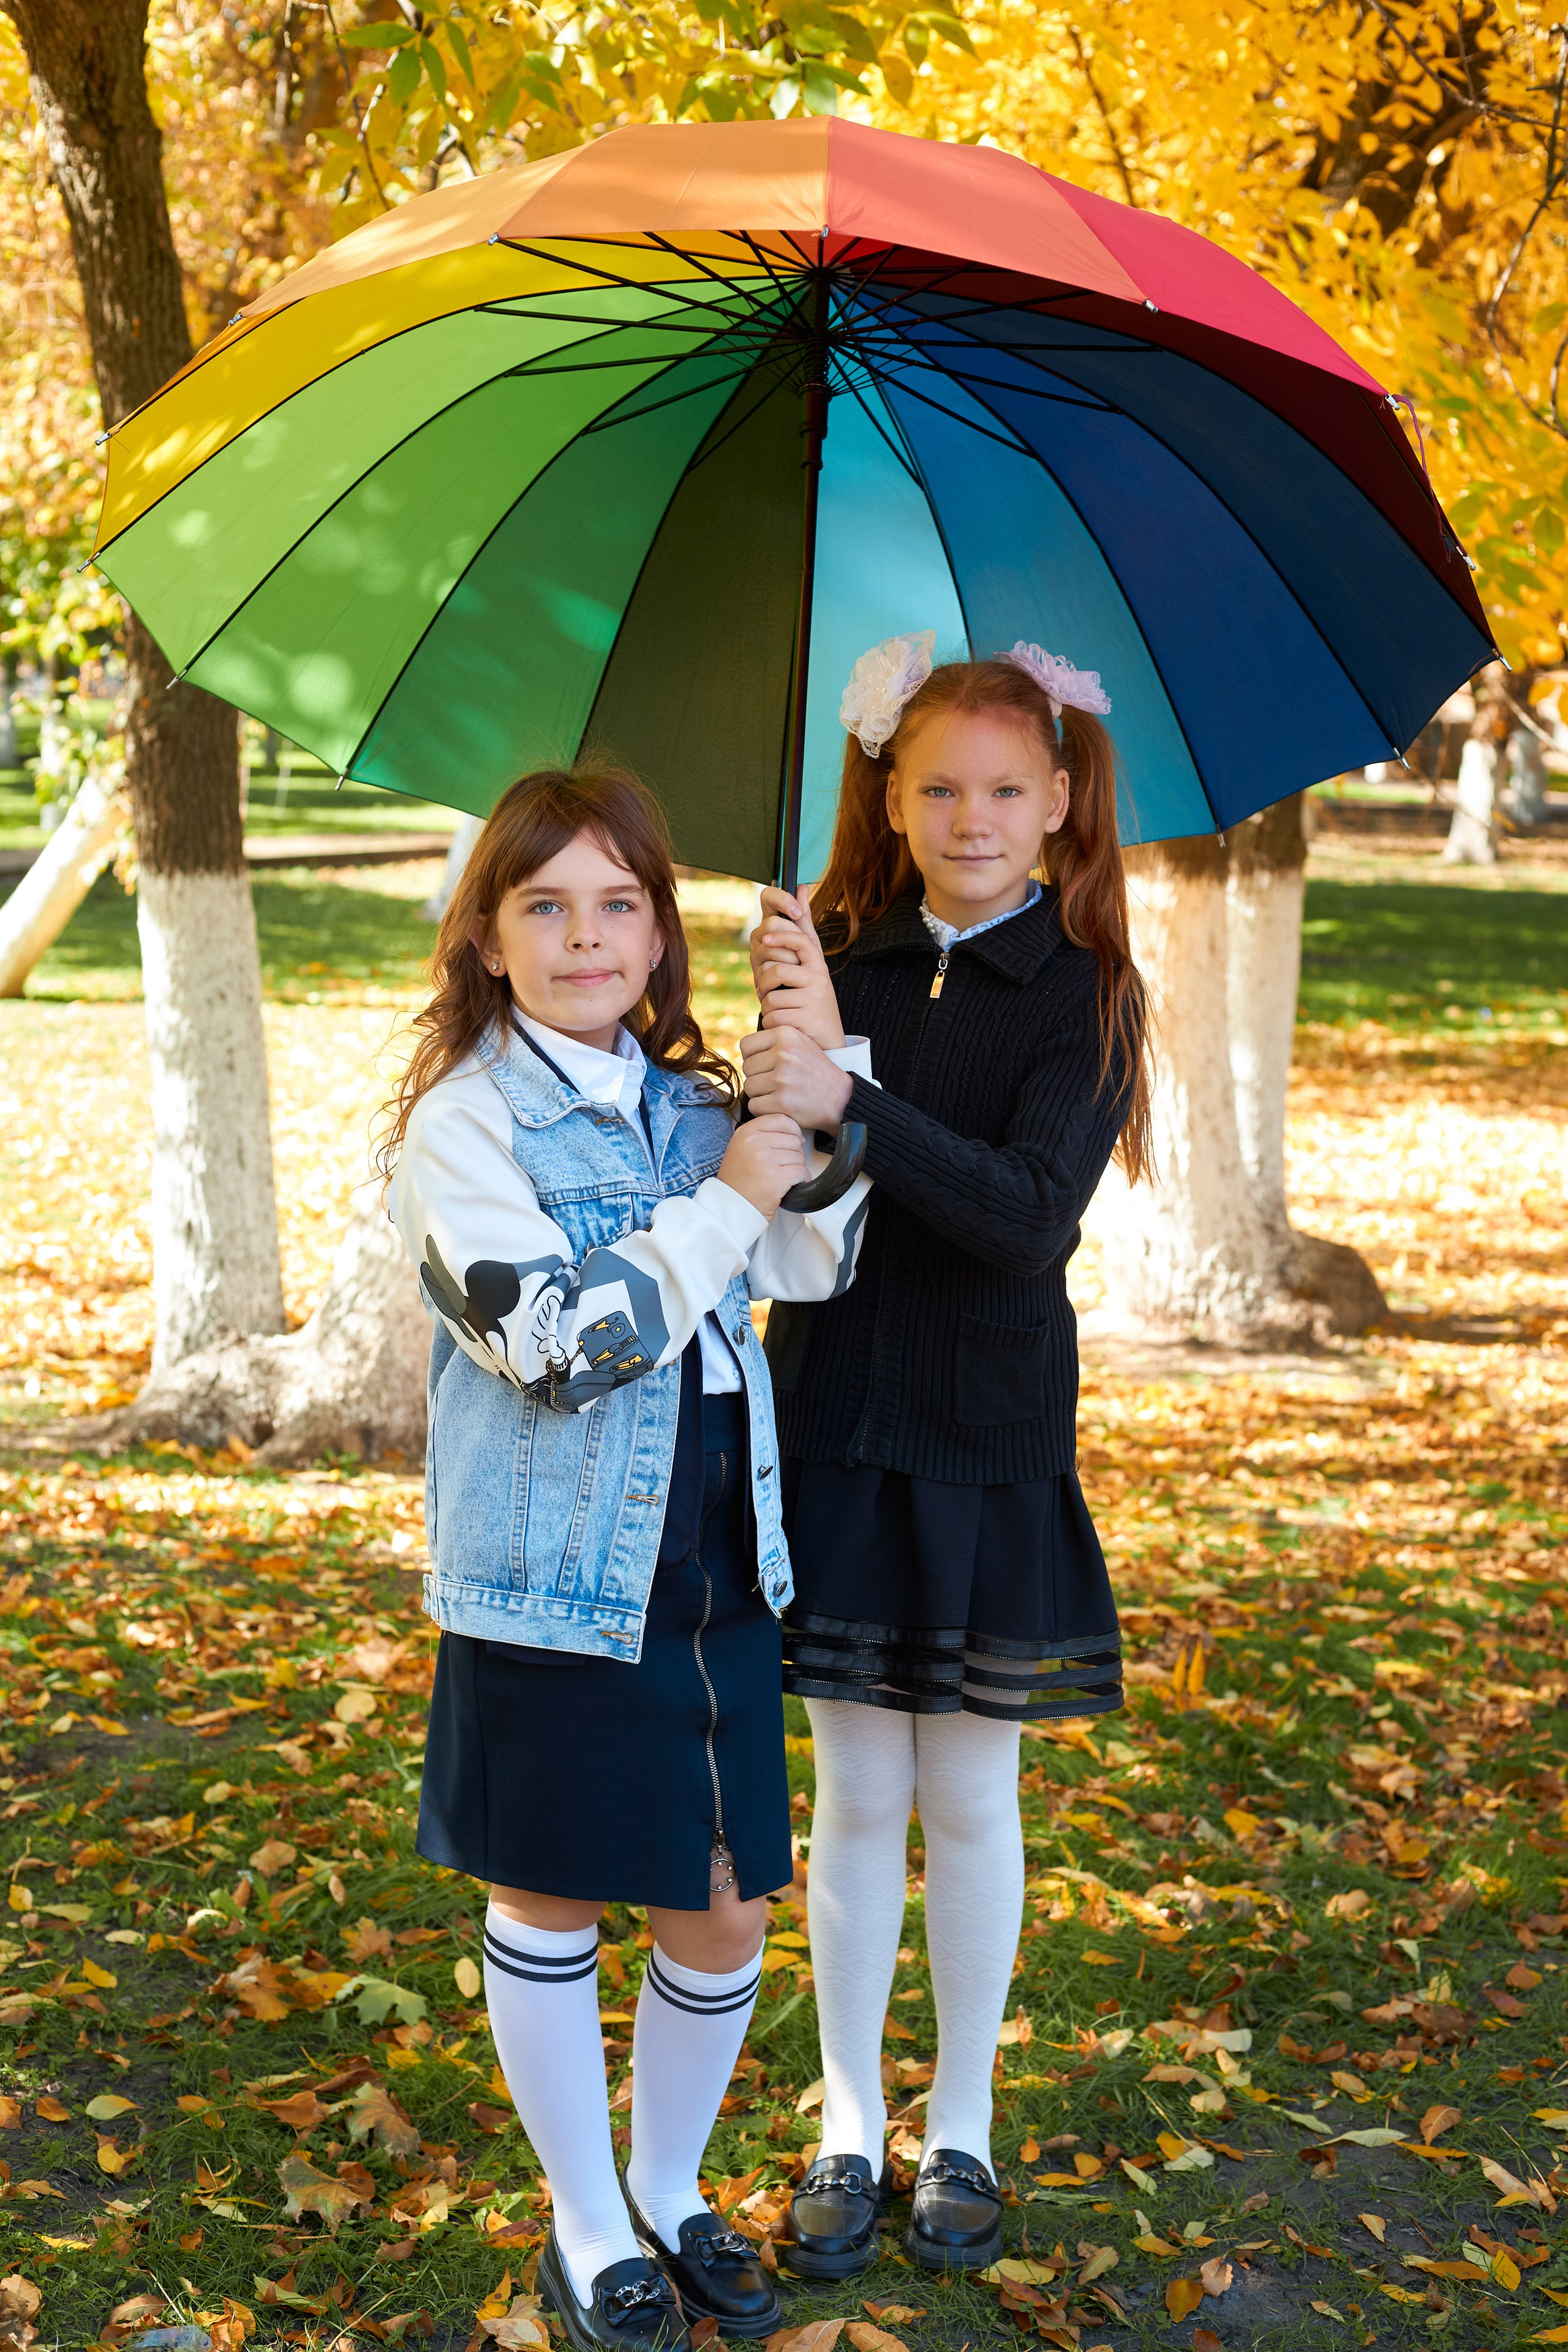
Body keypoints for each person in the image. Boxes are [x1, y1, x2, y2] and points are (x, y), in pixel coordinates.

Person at [379, 764, 874, 2352]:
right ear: (490, 938)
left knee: (723, 1910)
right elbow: (557, 1348)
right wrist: (727, 1197)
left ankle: (666, 2186)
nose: (586, 936)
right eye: (547, 905)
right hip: (555, 1576)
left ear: (662, 933)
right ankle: (588, 2221)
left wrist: (823, 1076)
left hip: (720, 1562)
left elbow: (816, 1257)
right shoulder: (466, 1126)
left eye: (619, 903)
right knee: (555, 1899)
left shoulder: (695, 1105)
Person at [739, 638, 1153, 2278]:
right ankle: (849, 2121)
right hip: (836, 1415)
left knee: (970, 1794)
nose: (970, 818)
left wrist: (860, 1101)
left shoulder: (1086, 993)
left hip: (984, 1433)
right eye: (937, 789)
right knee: (855, 1793)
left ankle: (961, 2118)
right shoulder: (836, 958)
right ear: (894, 800)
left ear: (1057, 804)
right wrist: (784, 1059)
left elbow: (1026, 1215)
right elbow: (783, 1184)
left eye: (1001, 790)